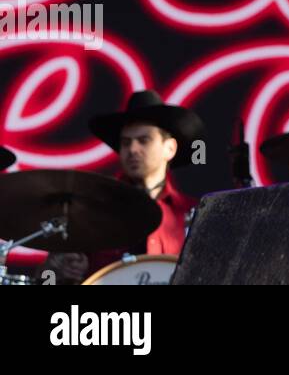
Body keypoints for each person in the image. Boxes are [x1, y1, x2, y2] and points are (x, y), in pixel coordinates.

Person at [45, 89, 202, 284]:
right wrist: (56, 268)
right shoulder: (92, 209)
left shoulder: (196, 213)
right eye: (126, 142)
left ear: (170, 148)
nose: (133, 149)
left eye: (143, 140)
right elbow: (46, 279)